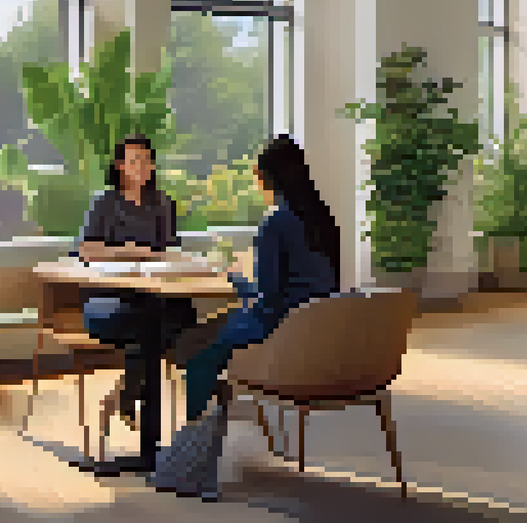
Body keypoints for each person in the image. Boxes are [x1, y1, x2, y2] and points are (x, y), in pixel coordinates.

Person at [151, 134, 341, 499]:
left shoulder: (276, 222)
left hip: (281, 336)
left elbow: (267, 299)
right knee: (208, 335)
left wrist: (237, 278)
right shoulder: (323, 219)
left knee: (198, 355)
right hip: (317, 338)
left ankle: (189, 465)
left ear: (267, 178)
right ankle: (190, 453)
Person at [78, 135, 200, 430]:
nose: (142, 166)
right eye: (135, 160)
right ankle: (133, 394)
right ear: (120, 165)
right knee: (150, 325)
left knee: (184, 314)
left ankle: (127, 392)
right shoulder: (104, 203)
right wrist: (127, 251)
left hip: (154, 294)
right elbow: (86, 250)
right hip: (109, 297)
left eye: (147, 160)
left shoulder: (162, 203)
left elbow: (169, 250)